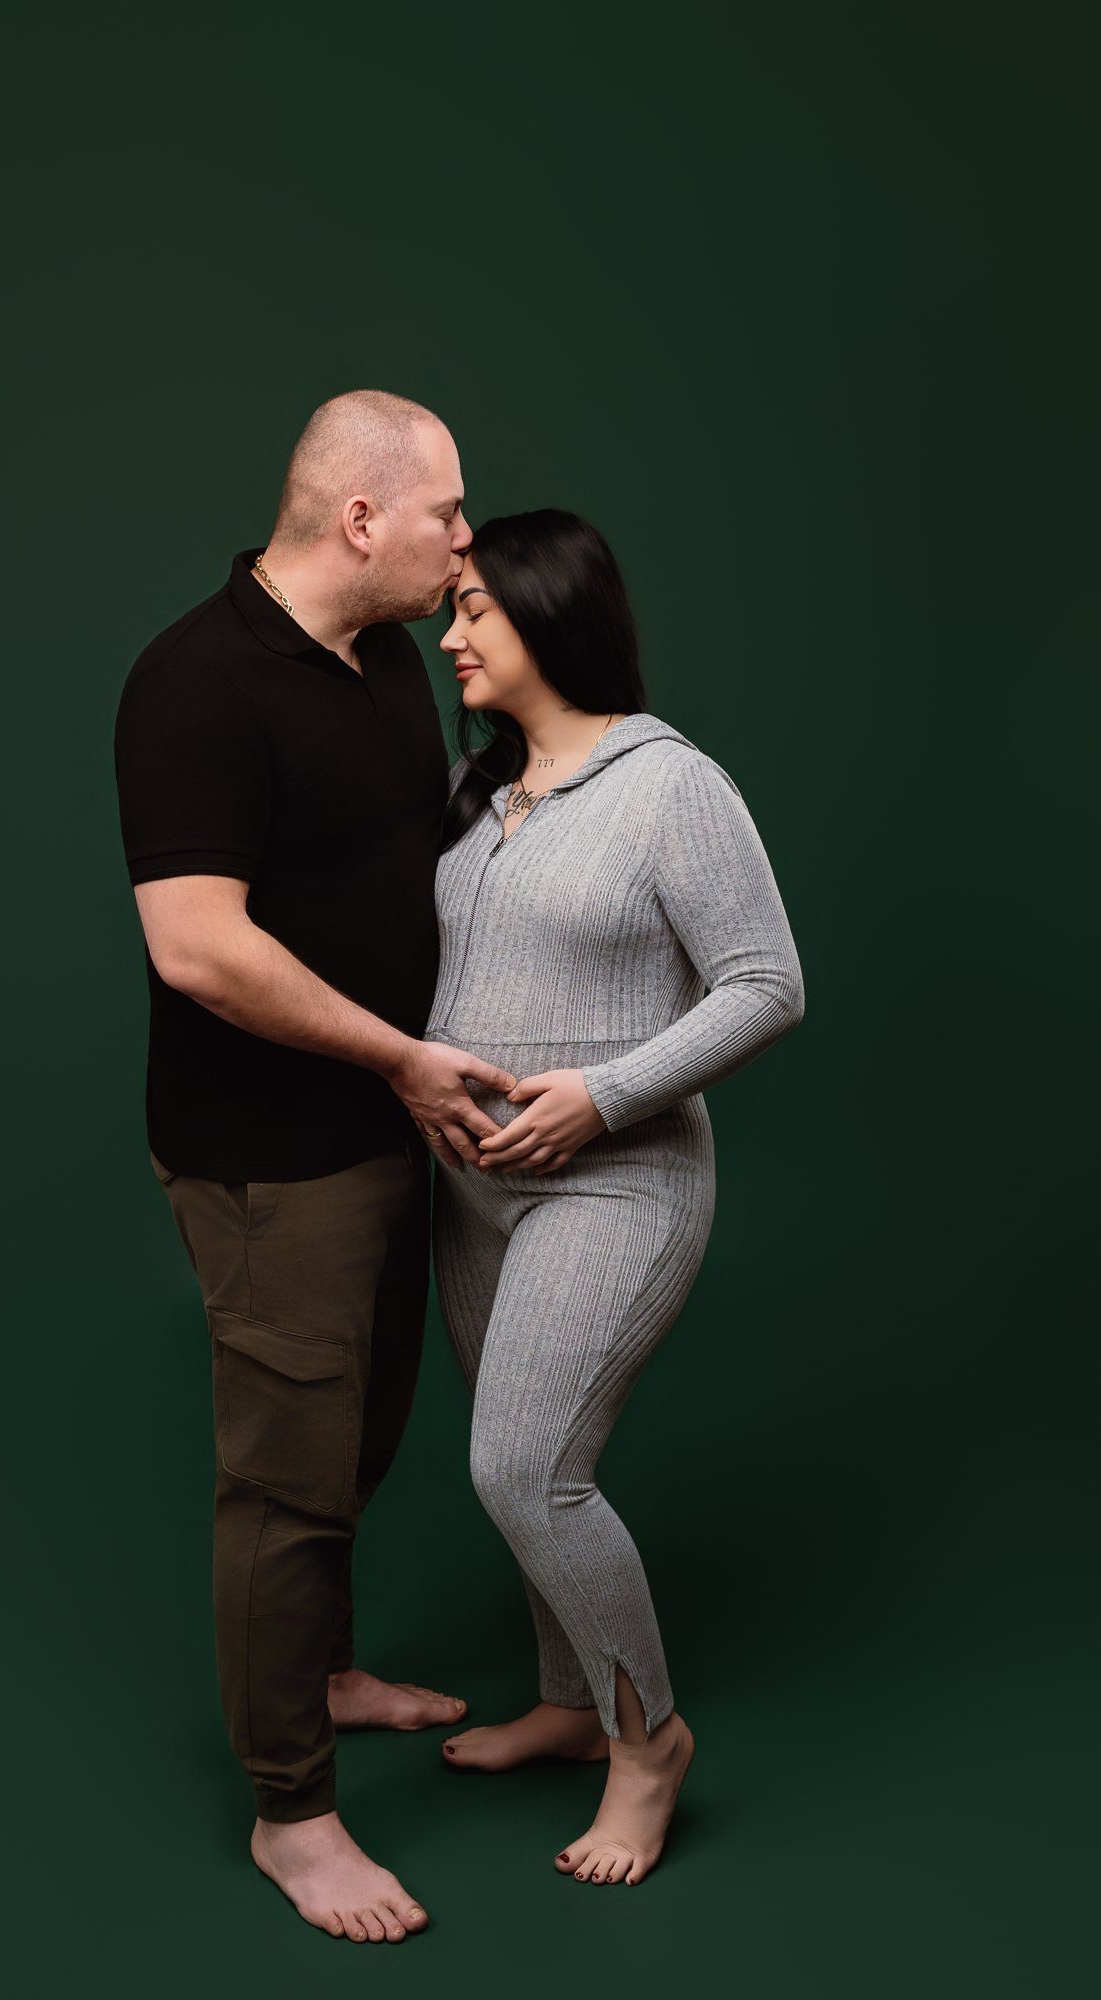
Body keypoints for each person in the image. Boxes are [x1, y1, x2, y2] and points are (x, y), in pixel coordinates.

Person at [113, 390, 517, 1944]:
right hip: (267, 1159)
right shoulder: (194, 683)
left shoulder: (391, 661)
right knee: (284, 1484)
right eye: (446, 514)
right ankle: (294, 1812)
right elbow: (197, 949)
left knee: (365, 1434)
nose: (462, 540)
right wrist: (406, 1060)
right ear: (362, 518)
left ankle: (328, 1674)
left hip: (382, 1136)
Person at [425, 509, 805, 1887]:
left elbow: (769, 983)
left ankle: (652, 1742)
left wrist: (603, 1094)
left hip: (620, 1179)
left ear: (547, 612)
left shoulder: (670, 785)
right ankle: (573, 1708)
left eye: (473, 609)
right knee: (520, 1464)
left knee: (524, 1466)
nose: (450, 633)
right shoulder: (478, 794)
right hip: (475, 1195)